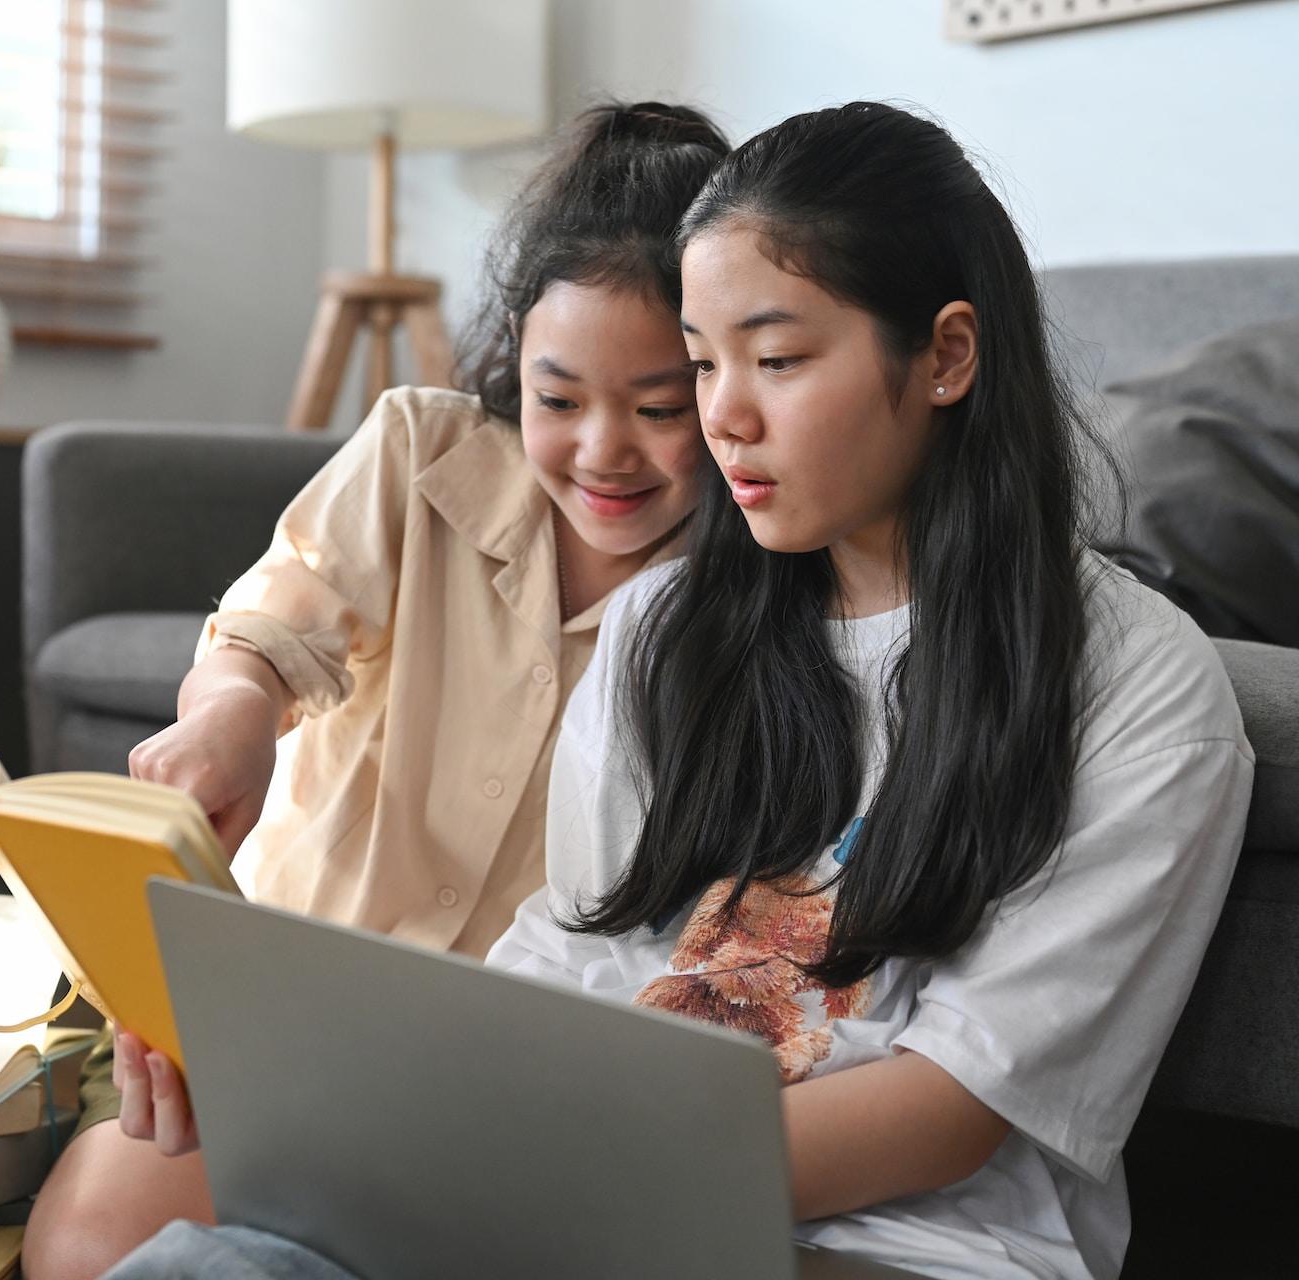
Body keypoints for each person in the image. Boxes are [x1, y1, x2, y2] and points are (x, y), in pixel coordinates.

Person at [103, 103, 1256, 1280]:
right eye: (704, 364)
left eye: (777, 359)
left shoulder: (1138, 688)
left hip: (887, 1246)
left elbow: (951, 1109)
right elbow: (573, 955)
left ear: (948, 355)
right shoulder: (670, 623)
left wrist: (530, 1165)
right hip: (575, 1201)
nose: (725, 416)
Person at [19, 101, 732, 1280]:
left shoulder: (744, 585)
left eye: (662, 409)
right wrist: (231, 709)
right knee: (86, 1240)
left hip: (506, 1088)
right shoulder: (422, 450)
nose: (605, 449)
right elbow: (272, 621)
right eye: (560, 399)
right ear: (515, 346)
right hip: (283, 1031)